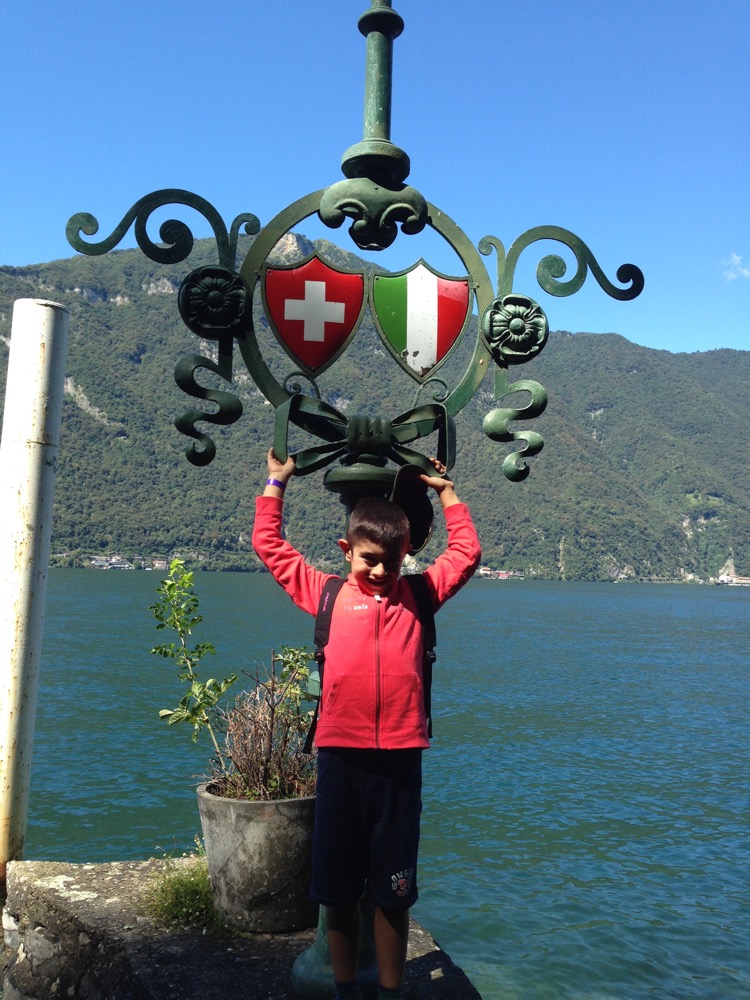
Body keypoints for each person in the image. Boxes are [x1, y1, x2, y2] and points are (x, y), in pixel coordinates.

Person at [252, 448, 481, 1000]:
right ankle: (346, 989)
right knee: (336, 891)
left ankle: (391, 991)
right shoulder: (327, 594)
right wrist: (276, 484)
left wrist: (448, 494)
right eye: (369, 559)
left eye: (392, 562)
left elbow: (466, 552)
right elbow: (270, 546)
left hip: (400, 761)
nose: (379, 572)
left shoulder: (419, 596)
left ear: (406, 557)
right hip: (339, 758)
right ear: (346, 550)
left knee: (394, 892)